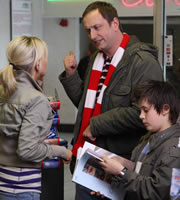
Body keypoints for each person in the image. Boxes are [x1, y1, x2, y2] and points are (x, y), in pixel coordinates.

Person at [59, 1, 163, 200]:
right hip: (87, 159)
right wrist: (71, 76)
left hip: (119, 165)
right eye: (88, 30)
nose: (92, 36)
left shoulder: (142, 62)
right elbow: (86, 106)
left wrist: (96, 125)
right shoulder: (96, 60)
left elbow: (144, 113)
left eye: (97, 27)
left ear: (115, 23)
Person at [0, 36, 72, 200]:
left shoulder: (3, 91)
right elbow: (27, 150)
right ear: (38, 64)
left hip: (3, 181)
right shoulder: (36, 100)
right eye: (45, 57)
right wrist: (62, 152)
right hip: (22, 188)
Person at [99, 80, 180, 200]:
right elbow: (141, 174)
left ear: (165, 109)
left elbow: (158, 192)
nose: (141, 116)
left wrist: (122, 172)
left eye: (146, 110)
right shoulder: (149, 138)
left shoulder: (173, 150)